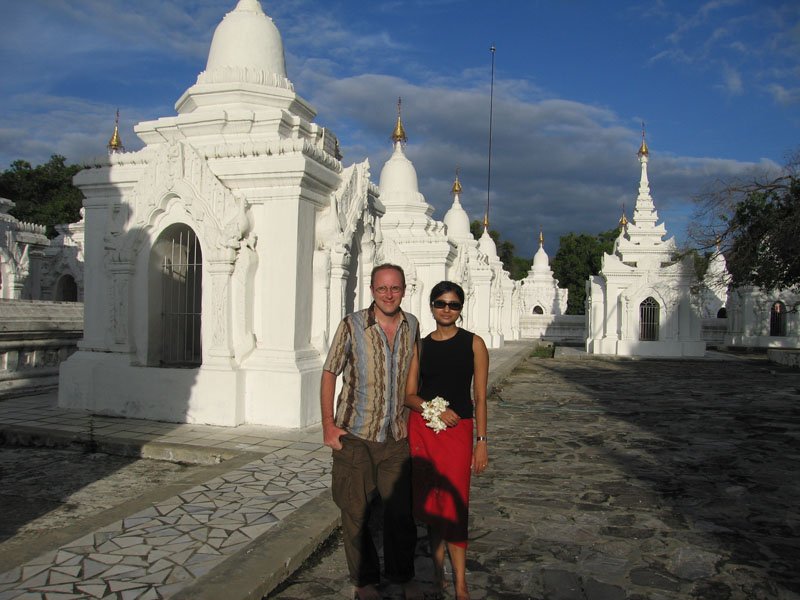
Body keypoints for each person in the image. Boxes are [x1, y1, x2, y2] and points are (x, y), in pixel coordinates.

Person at [321, 263, 424, 600]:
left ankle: (400, 575)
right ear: (372, 290)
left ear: (404, 290)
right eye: (382, 288)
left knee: (400, 515)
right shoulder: (352, 325)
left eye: (395, 288)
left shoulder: (412, 325)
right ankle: (364, 581)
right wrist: (328, 425)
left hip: (395, 436)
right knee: (355, 512)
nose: (389, 294)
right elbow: (329, 372)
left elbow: (415, 375)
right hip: (356, 435)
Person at [405, 281, 489, 600]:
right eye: (441, 303)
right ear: (431, 306)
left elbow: (480, 396)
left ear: (460, 309)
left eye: (453, 305)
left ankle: (461, 583)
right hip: (425, 430)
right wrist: (433, 410)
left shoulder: (474, 344)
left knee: (457, 505)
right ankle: (439, 575)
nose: (446, 310)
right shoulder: (421, 347)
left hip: (459, 432)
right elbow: (408, 395)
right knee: (433, 506)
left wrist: (481, 440)